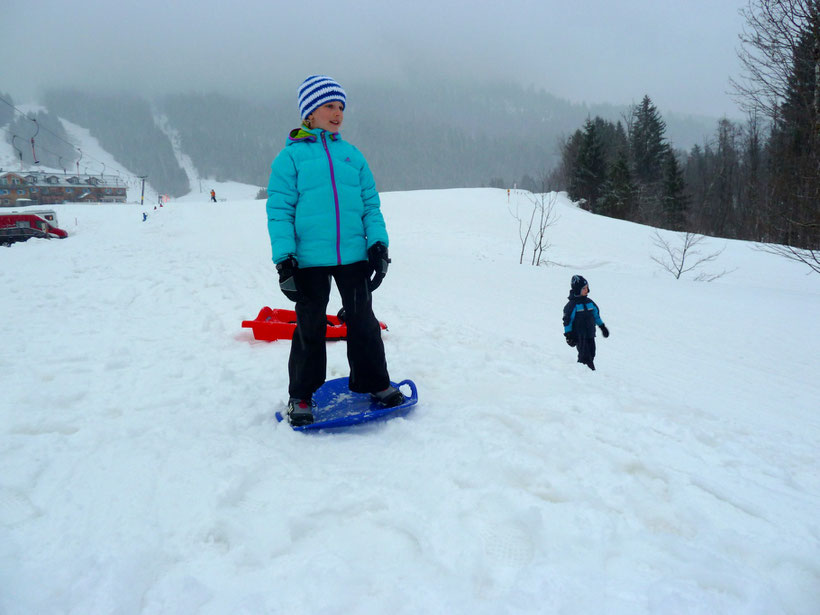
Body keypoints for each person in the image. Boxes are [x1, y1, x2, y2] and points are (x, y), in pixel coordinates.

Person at [266, 75, 403, 426]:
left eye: (341, 106)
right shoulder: (289, 159)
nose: (338, 112)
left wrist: (378, 245)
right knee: (309, 326)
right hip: (308, 260)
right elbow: (279, 211)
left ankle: (376, 383)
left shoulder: (351, 156)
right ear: (309, 112)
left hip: (353, 255)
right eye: (329, 105)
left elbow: (370, 204)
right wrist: (284, 260)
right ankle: (301, 395)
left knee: (364, 322)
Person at [563, 275, 609, 370]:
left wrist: (602, 327)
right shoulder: (572, 305)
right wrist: (568, 335)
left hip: (590, 334)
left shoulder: (590, 302)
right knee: (585, 356)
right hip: (579, 335)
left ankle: (581, 371)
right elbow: (567, 321)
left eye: (587, 287)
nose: (586, 290)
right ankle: (589, 373)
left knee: (592, 353)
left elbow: (596, 315)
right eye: (583, 288)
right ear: (577, 289)